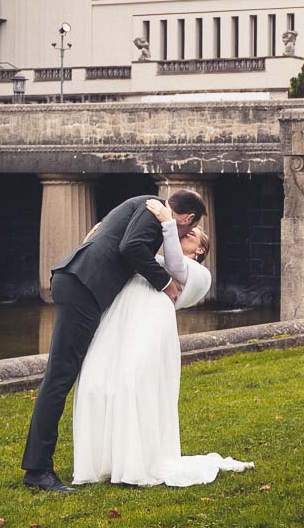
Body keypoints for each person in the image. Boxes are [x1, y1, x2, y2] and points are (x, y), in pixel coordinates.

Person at [20, 190, 204, 494]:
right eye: (189, 229)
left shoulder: (146, 207)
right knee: (59, 377)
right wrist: (166, 284)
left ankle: (40, 465)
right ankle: (38, 470)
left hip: (81, 285)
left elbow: (108, 235)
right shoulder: (153, 208)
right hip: (83, 287)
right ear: (188, 219)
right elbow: (130, 247)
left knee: (60, 376)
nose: (184, 234)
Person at [70, 203, 252, 487]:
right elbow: (122, 256)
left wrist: (168, 223)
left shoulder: (198, 273)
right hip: (122, 316)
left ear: (201, 249)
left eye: (193, 234)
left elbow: (175, 267)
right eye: (186, 230)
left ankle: (138, 461)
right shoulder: (153, 258)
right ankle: (109, 459)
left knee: (136, 380)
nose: (187, 232)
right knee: (99, 380)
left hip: (151, 320)